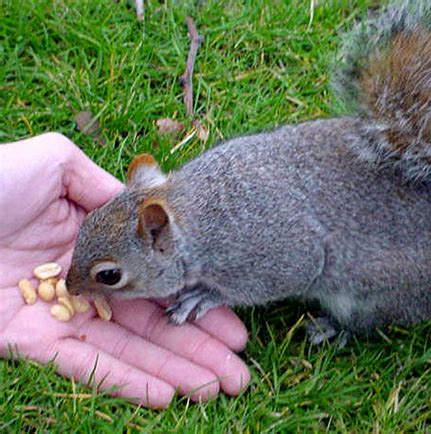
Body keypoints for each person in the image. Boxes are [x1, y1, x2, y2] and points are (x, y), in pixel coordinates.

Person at [0, 132, 250, 409]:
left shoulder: (238, 258)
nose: (73, 291)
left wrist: (215, 294)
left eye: (109, 275)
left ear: (158, 237)